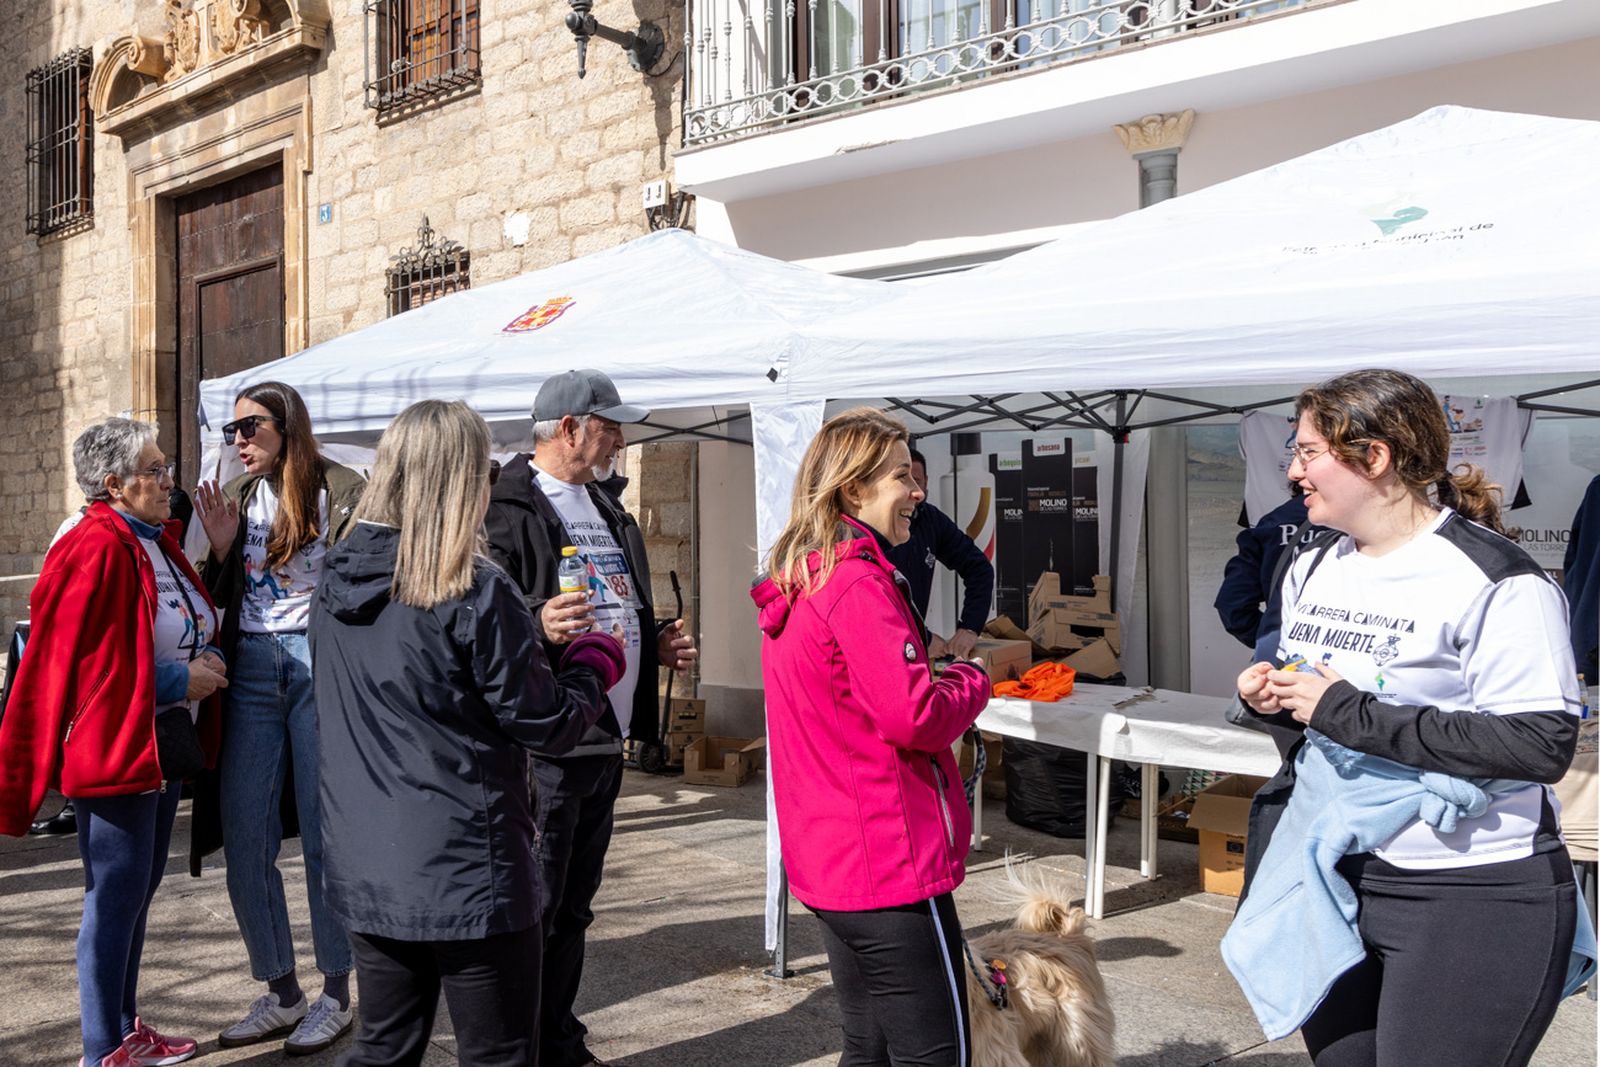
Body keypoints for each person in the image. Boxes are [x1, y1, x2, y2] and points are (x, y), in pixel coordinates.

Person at [1232, 369, 1583, 1066]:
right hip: (1337, 869)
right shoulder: (1310, 567)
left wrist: (1346, 710)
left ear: (1376, 456)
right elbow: (1321, 719)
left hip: (1473, 894)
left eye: (1308, 452)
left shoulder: (1498, 579)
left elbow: (1540, 744)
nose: (1294, 471)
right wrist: (1272, 697)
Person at [310, 399, 626, 1067]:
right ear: (458, 481)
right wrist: (597, 662)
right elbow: (547, 722)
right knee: (499, 1054)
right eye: (483, 469)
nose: (491, 483)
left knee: (384, 1046)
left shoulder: (333, 580)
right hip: (468, 868)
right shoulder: (474, 586)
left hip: (369, 861)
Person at [751, 407, 993, 1066]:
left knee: (871, 1047)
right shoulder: (855, 580)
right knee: (937, 1054)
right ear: (854, 489)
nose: (917, 489)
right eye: (899, 476)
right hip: (888, 861)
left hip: (838, 856)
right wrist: (974, 681)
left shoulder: (806, 573)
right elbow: (914, 714)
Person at [484, 368, 697, 1067]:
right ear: (569, 427)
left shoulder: (610, 509)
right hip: (550, 742)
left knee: (575, 904)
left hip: (605, 738)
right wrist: (535, 622)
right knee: (537, 908)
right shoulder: (505, 508)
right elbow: (479, 618)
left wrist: (655, 637)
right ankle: (524, 1045)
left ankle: (557, 1033)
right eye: (608, 426)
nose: (620, 438)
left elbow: (616, 600)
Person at [0, 417, 225, 1067]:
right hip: (116, 747)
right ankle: (101, 1048)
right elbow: (86, 660)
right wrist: (184, 673)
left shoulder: (150, 536)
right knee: (114, 896)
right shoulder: (96, 544)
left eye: (166, 466)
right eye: (153, 470)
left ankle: (125, 1026)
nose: (167, 480)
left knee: (137, 891)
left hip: (157, 741)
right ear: (113, 484)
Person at [191, 381, 366, 1055]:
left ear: (287, 426)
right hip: (253, 670)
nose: (238, 440)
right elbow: (208, 597)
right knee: (244, 837)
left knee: (325, 840)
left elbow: (367, 580)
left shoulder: (340, 488)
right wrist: (224, 546)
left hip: (318, 663)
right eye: (233, 430)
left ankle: (336, 991)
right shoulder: (234, 497)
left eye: (251, 426)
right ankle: (282, 989)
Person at [886, 446, 995, 660]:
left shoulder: (931, 520)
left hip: (912, 653)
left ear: (926, 482)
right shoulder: (867, 533)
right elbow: (875, 607)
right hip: (881, 652)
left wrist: (970, 626)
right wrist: (923, 638)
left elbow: (979, 568)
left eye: (916, 481)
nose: (913, 492)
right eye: (903, 481)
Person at [1213, 487, 1324, 663]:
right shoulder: (1359, 529)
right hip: (1345, 661)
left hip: (1282, 660)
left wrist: (1269, 638)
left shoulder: (1271, 524)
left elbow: (1233, 604)